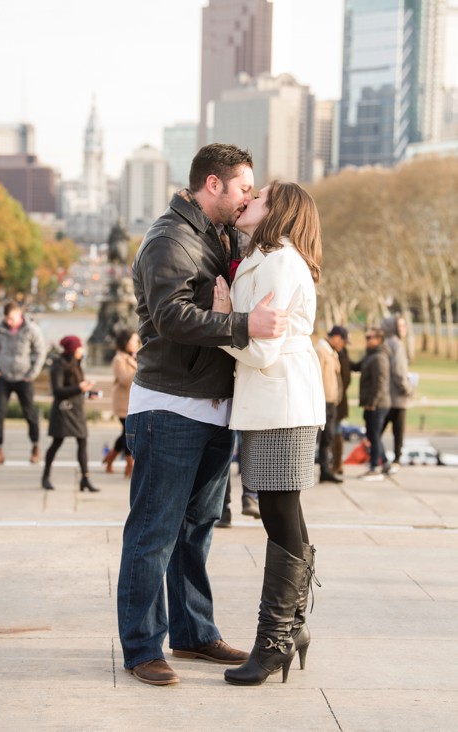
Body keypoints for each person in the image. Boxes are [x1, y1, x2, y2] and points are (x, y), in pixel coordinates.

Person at [116, 144, 287, 686]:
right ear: (212, 185)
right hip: (170, 405)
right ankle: (143, 647)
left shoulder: (220, 235)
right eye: (242, 188)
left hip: (213, 406)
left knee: (197, 531)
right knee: (154, 533)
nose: (246, 200)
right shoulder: (170, 239)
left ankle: (192, 633)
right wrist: (242, 327)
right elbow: (169, 318)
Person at [210, 181, 326, 685]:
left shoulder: (278, 262)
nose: (248, 201)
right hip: (278, 402)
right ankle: (290, 629)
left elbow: (260, 350)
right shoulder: (270, 257)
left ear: (276, 211)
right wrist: (233, 316)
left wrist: (221, 321)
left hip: (280, 401)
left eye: (258, 198)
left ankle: (275, 640)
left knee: (280, 515)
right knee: (283, 514)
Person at [0, 302, 46, 466]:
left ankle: (35, 447)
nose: (10, 322)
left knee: (29, 414)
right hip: (4, 376)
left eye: (12, 318)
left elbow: (40, 351)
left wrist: (32, 373)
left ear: (20, 315)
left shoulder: (31, 329)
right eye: (7, 319)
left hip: (24, 378)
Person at [42, 336, 97, 492]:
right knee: (57, 443)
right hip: (63, 410)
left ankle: (85, 478)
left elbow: (76, 388)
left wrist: (88, 393)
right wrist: (80, 388)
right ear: (73, 349)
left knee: (82, 441)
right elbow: (57, 390)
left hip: (77, 409)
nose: (82, 350)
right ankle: (45, 476)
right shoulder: (59, 366)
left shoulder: (77, 364)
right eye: (80, 347)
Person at [380, 315, 414, 473]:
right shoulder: (397, 344)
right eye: (401, 326)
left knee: (377, 431)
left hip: (385, 395)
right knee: (398, 432)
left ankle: (380, 459)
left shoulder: (384, 342)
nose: (404, 329)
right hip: (397, 397)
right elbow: (399, 371)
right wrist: (408, 388)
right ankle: (395, 461)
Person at [357, 328, 391, 480]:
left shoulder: (379, 357)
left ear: (379, 339)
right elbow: (356, 366)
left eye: (369, 337)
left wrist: (372, 403)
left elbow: (380, 383)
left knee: (375, 435)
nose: (367, 339)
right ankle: (384, 462)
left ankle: (375, 467)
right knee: (372, 435)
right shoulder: (371, 355)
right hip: (371, 403)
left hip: (377, 404)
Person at [315, 326, 348, 483]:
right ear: (336, 337)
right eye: (343, 341)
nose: (343, 345)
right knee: (319, 438)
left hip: (331, 402)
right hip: (322, 402)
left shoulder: (332, 352)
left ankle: (325, 470)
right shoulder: (321, 351)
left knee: (327, 438)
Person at [104, 329, 139, 478]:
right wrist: (141, 366)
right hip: (123, 402)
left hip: (133, 402)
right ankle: (129, 465)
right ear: (125, 342)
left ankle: (110, 458)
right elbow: (125, 379)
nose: (136, 344)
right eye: (132, 341)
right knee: (127, 433)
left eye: (137, 340)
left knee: (124, 433)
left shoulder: (135, 357)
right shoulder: (119, 359)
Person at [331, 339, 353, 476]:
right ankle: (336, 463)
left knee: (335, 433)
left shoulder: (341, 356)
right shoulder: (340, 354)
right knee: (335, 433)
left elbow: (345, 379)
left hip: (338, 401)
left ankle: (337, 463)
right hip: (338, 400)